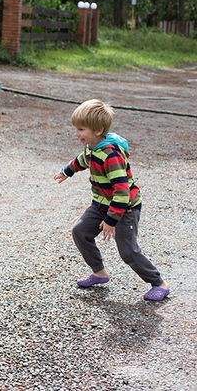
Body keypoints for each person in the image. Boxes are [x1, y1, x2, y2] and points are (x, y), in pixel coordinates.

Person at [53, 99, 170, 302]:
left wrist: (111, 220)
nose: (76, 133)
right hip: (101, 203)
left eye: (81, 129)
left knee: (128, 252)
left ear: (98, 130)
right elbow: (82, 160)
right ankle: (99, 273)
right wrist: (67, 172)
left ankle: (159, 283)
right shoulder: (92, 147)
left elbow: (122, 192)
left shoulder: (111, 156)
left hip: (124, 208)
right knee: (80, 231)